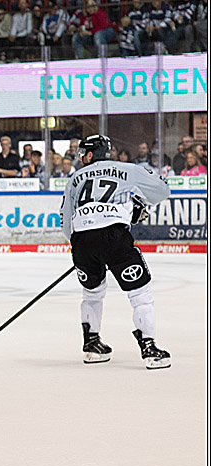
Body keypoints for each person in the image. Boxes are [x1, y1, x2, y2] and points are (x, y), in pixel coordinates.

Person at [59, 135, 172, 370]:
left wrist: (84, 245)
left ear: (91, 155)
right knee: (139, 292)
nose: (81, 158)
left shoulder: (75, 178)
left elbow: (66, 221)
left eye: (83, 154)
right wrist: (137, 204)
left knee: (91, 293)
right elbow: (162, 191)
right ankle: (150, 348)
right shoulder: (126, 169)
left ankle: (91, 345)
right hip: (114, 237)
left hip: (82, 239)